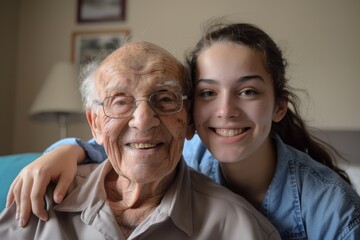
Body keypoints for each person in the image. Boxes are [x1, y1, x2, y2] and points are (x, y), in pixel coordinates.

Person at [7, 22, 360, 239]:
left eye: (248, 91)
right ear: (193, 116)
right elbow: (127, 145)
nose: (225, 111)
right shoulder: (185, 149)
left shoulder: (332, 207)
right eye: (208, 93)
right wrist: (63, 150)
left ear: (280, 105)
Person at [0, 41, 281, 239]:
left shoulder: (240, 228)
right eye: (120, 102)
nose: (143, 120)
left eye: (165, 99)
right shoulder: (38, 199)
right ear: (95, 124)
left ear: (189, 122)